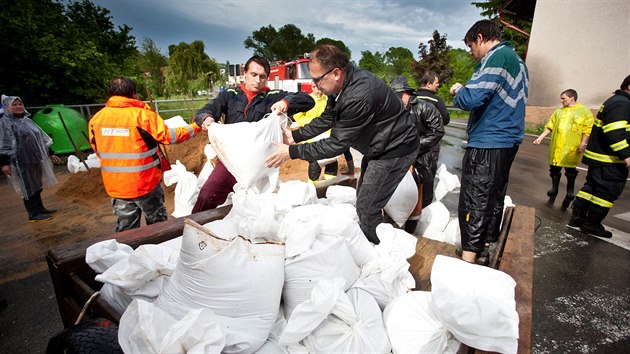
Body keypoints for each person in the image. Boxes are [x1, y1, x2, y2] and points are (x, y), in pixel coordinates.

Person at [265, 44, 419, 244]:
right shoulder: (339, 87)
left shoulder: (358, 95)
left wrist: (292, 152)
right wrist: (296, 136)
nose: (314, 84)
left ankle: (378, 253)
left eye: (317, 79)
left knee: (367, 205)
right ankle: (372, 240)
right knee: (364, 197)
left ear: (336, 73)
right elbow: (327, 118)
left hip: (395, 148)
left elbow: (336, 144)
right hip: (379, 145)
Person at [449, 20, 529, 264]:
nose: (472, 54)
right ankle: (483, 244)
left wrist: (458, 90)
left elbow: (473, 97)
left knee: (475, 197)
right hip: (507, 139)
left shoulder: (496, 57)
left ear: (481, 38)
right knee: (492, 195)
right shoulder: (518, 61)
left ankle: (468, 259)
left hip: (489, 139)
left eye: (471, 47)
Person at [192, 55, 314, 213]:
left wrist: (286, 102)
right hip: (231, 162)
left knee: (257, 210)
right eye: (254, 75)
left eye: (263, 77)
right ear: (245, 73)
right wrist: (206, 118)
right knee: (207, 196)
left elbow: (307, 100)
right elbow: (207, 109)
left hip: (260, 166)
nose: (258, 80)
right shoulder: (230, 95)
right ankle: (193, 228)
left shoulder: (273, 96)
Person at [89, 77, 201, 232]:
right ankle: (156, 253)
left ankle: (126, 254)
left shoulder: (97, 119)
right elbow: (169, 136)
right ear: (134, 94)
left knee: (126, 230)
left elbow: (96, 148)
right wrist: (195, 127)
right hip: (145, 183)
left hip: (117, 186)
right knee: (157, 227)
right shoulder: (142, 116)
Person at [568, 75, 630, 238]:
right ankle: (591, 224)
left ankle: (577, 219)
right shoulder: (623, 104)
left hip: (601, 158)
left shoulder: (617, 101)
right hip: (610, 160)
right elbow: (615, 134)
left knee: (591, 188)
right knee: (606, 193)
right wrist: (627, 156)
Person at [390, 75, 444, 233]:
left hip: (421, 158)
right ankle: (394, 224)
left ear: (407, 94)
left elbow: (438, 131)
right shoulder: (392, 110)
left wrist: (415, 146)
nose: (396, 100)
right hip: (398, 158)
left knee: (419, 195)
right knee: (396, 193)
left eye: (398, 96)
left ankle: (413, 231)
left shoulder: (425, 108)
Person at [0, 95, 60, 222]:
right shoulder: (5, 123)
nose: (18, 107)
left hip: (35, 159)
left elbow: (40, 139)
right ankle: (33, 213)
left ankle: (40, 208)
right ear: (7, 107)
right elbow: (5, 144)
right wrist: (5, 163)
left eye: (20, 104)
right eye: (14, 105)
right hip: (20, 161)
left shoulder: (26, 120)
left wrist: (50, 153)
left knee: (36, 185)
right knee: (27, 187)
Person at [533, 89, 594, 209]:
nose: (561, 101)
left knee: (570, 172)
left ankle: (570, 192)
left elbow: (588, 129)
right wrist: (540, 137)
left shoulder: (584, 112)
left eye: (563, 98)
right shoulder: (558, 112)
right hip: (557, 146)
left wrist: (583, 143)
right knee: (554, 169)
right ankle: (554, 188)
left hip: (571, 148)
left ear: (572, 98)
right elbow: (550, 126)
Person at [415, 70, 450, 208]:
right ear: (428, 83)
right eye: (436, 83)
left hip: (412, 141)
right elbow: (445, 119)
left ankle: (411, 199)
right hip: (431, 143)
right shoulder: (436, 100)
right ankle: (424, 203)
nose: (438, 85)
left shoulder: (412, 96)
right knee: (428, 170)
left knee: (410, 170)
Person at [292, 83, 338, 182]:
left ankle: (330, 184)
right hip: (311, 134)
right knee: (315, 160)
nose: (320, 91)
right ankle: (313, 186)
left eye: (321, 88)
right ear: (313, 87)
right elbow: (297, 116)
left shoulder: (326, 99)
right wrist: (311, 124)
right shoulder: (306, 100)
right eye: (318, 88)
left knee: (332, 161)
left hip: (327, 134)